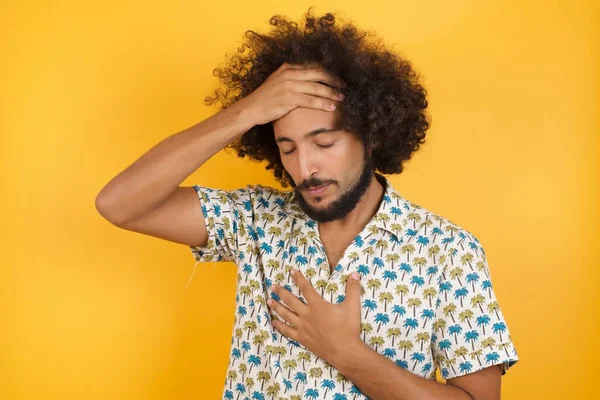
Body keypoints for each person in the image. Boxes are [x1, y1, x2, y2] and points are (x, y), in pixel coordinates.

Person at [96, 8, 518, 400]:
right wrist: (247, 111)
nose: (305, 167)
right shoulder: (255, 221)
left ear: (371, 134)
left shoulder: (448, 252)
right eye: (287, 147)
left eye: (324, 142)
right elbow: (120, 204)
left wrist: (347, 354)